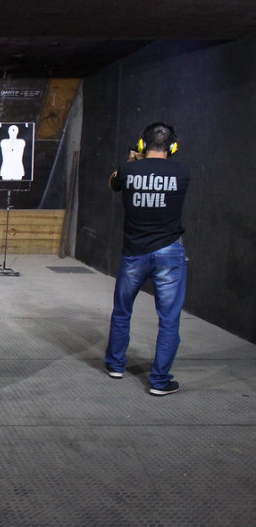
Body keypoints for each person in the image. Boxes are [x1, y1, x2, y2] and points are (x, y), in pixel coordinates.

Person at [104, 122, 190, 396]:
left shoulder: (128, 169)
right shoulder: (182, 171)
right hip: (169, 252)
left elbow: (113, 183)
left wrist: (132, 159)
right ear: (173, 146)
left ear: (142, 144)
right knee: (169, 319)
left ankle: (115, 365)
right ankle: (159, 381)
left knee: (122, 311)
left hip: (134, 253)